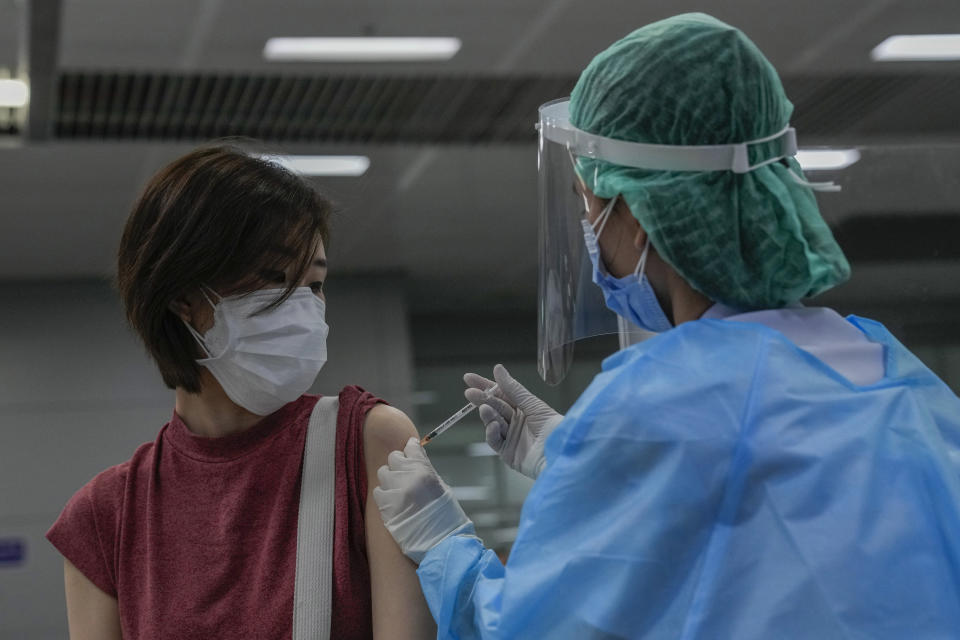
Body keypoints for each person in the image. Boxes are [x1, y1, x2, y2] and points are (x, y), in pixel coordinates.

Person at [372, 13, 960, 639]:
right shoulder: (892, 369)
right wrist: (585, 469)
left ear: (642, 213)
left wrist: (443, 543)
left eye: (588, 206)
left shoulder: (661, 405)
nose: (591, 232)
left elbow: (538, 628)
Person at [47, 144, 436, 639]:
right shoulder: (105, 516)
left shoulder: (365, 444)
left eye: (314, 284)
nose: (299, 307)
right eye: (273, 277)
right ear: (182, 296)